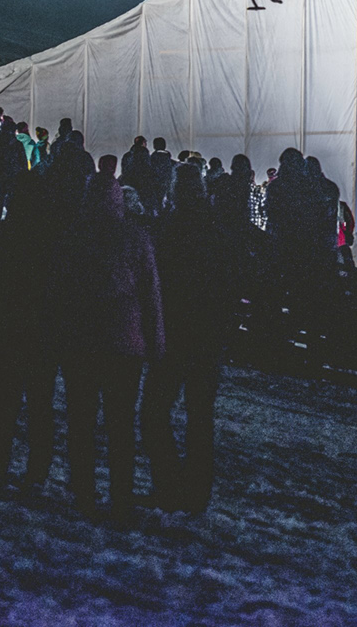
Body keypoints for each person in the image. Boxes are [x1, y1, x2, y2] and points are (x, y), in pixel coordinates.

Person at [54, 170, 165, 521]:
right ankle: (121, 492)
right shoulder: (135, 237)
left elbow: (58, 289)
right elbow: (151, 294)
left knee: (81, 420)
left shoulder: (74, 234)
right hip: (124, 345)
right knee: (120, 423)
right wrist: (156, 341)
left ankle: (83, 489)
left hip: (81, 342)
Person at [141, 163, 244, 512]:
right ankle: (196, 492)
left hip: (173, 332)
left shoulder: (169, 228)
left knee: (154, 411)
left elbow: (156, 279)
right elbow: (231, 281)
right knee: (200, 416)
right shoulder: (216, 230)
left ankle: (169, 483)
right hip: (207, 336)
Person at [0, 181, 59, 493]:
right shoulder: (52, 237)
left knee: (6, 401)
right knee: (41, 404)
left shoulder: (4, 233)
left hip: (8, 326)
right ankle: (37, 472)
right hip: (44, 332)